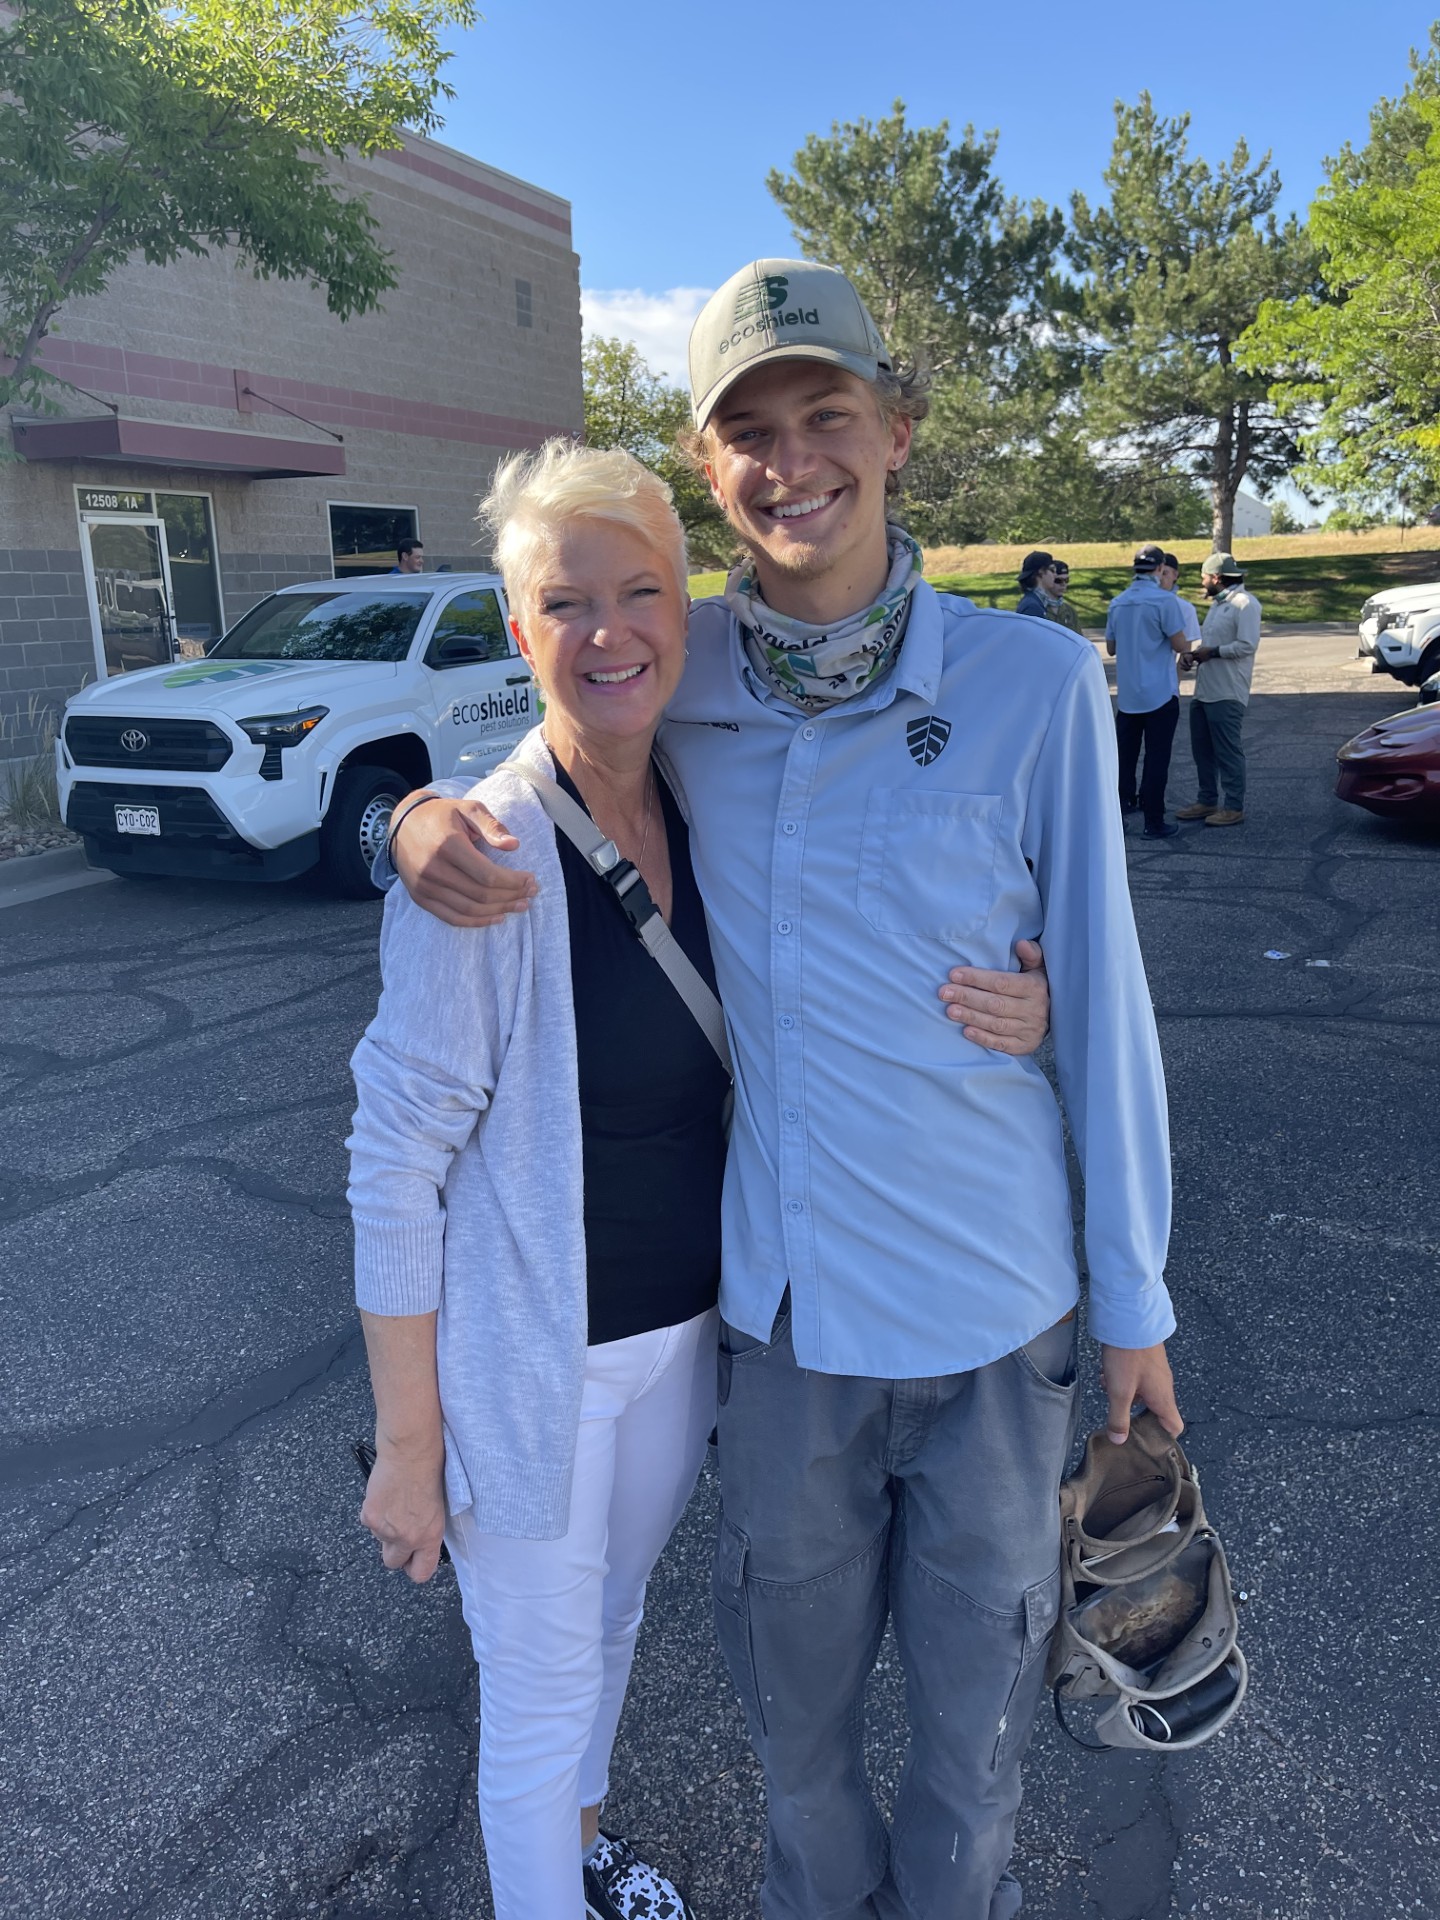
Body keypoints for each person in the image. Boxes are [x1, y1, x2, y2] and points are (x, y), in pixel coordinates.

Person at [380, 257, 1181, 1920]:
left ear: (897, 432)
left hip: (997, 1326)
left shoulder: (1035, 687)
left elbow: (1106, 1007)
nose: (792, 459)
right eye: (750, 429)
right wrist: (417, 819)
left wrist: (1135, 1303)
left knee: (972, 1760)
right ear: (709, 462)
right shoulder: (687, 675)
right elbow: (548, 726)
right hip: (791, 1340)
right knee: (796, 1755)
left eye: (828, 415)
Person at [349, 446, 725, 1920]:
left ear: (686, 607)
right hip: (534, 1371)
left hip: (680, 1338)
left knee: (612, 1626)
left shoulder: (701, 791)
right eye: (565, 602)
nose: (607, 631)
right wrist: (407, 1446)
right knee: (535, 1692)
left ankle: (578, 1854)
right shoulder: (486, 855)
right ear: (520, 629)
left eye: (640, 592)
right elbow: (395, 1164)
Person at [1105, 543, 1192, 838]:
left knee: (1124, 759)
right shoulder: (1164, 601)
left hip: (1128, 695)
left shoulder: (1118, 603)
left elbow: (1111, 647)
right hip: (1159, 693)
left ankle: (1118, 816)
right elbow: (1180, 644)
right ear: (1159, 568)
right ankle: (1153, 821)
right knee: (1156, 758)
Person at [1175, 551, 1261, 827]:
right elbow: (1212, 642)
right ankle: (1207, 800)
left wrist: (1212, 652)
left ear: (1216, 577)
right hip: (1204, 690)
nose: (1201, 582)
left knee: (1227, 751)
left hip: (1227, 691)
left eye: (1203, 577)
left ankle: (1234, 806)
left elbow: (1247, 645)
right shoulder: (1218, 604)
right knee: (1202, 750)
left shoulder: (1245, 604)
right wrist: (1195, 654)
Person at [1046, 559, 1084, 634]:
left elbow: (1078, 638)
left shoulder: (1070, 611)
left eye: (1066, 580)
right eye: (1058, 581)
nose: (1063, 584)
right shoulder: (1039, 608)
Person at [1015, 549, 1057, 617]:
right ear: (1041, 571)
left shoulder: (1034, 600)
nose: (1055, 575)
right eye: (1052, 570)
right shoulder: (1032, 606)